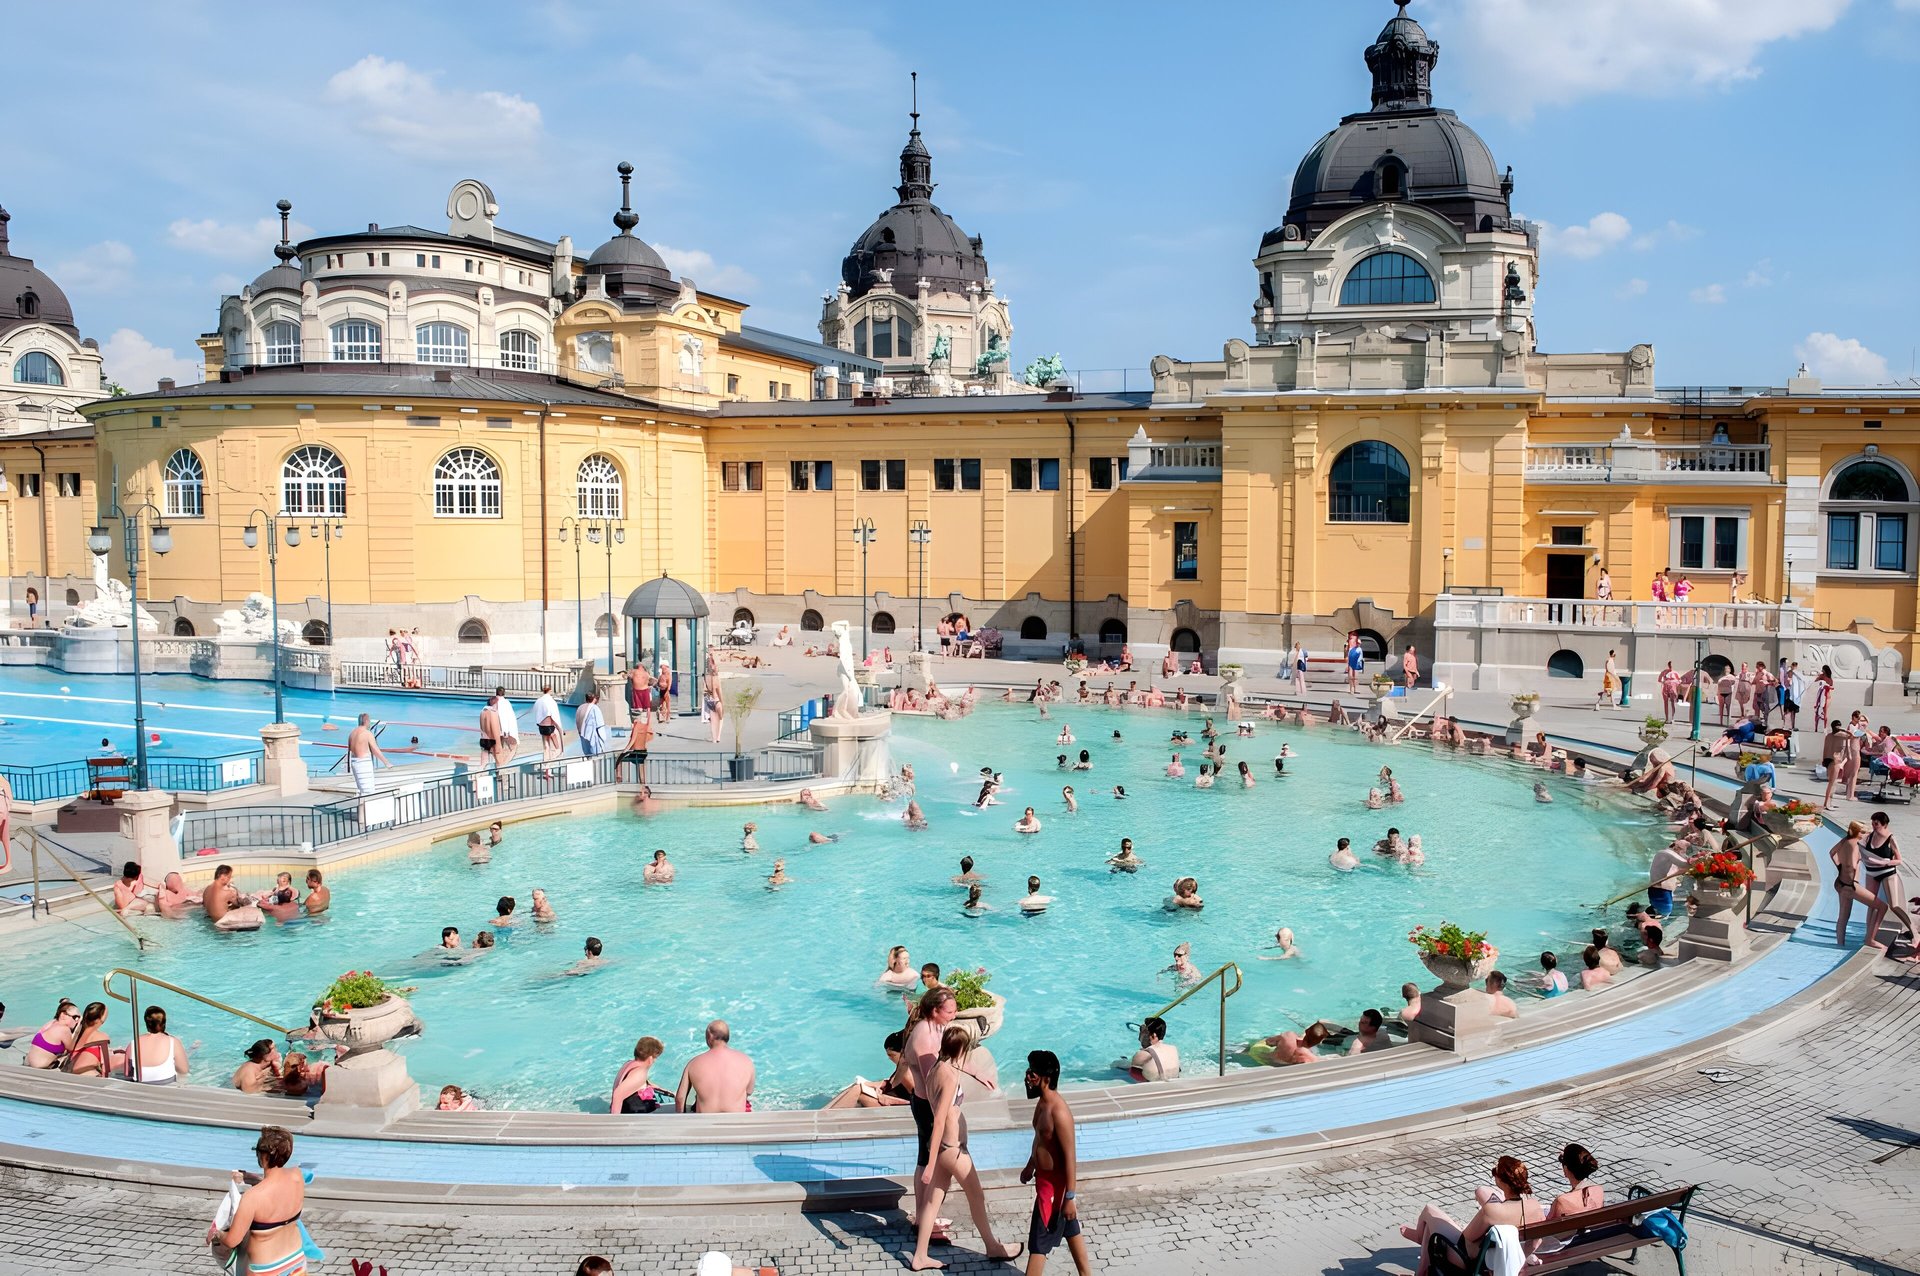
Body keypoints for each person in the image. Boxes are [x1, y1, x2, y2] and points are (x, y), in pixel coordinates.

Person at [907, 1025, 1023, 1270]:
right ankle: (992, 1247)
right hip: (953, 1149)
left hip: (945, 1150)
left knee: (931, 1202)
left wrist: (977, 1074)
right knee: (977, 1196)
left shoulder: (937, 1068)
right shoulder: (948, 1076)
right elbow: (939, 1120)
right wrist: (928, 1165)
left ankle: (920, 1256)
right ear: (960, 1049)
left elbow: (952, 1076)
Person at [1401, 1155, 1547, 1276]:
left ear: (1501, 1181)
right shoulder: (1534, 1206)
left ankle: (1419, 1237)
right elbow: (1536, 1242)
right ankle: (1421, 1270)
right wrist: (1517, 1259)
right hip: (1496, 1258)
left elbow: (1467, 1238)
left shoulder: (1492, 1211)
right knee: (1431, 1228)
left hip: (1468, 1259)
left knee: (1429, 1210)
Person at [1020, 1049, 1092, 1276]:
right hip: (1044, 1181)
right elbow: (1041, 1140)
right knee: (1070, 1228)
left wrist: (1070, 1198)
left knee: (1038, 1244)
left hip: (1055, 1189)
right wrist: (1031, 1164)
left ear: (1046, 1079)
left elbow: (1070, 1157)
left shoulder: (1060, 1112)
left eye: (1032, 1072)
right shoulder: (1042, 1104)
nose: (1027, 1076)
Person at [206, 1126, 308, 1276]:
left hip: (265, 1269)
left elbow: (232, 1241)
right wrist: (249, 1177)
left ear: (262, 1156)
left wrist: (217, 1234)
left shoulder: (252, 1198)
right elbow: (275, 1186)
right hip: (296, 1261)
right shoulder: (297, 1177)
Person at [1862, 811, 1918, 949]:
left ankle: (1915, 934)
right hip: (1872, 873)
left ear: (1884, 824)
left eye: (1876, 824)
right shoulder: (1869, 837)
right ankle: (1868, 936)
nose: (1874, 826)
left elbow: (1899, 860)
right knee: (1871, 904)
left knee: (1895, 905)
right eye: (1872, 823)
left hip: (1887, 873)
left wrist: (1884, 863)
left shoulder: (1890, 838)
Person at [675, 1020, 754, 1114]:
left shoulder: (694, 1063)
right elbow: (749, 1091)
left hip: (705, 1123)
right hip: (735, 1122)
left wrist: (681, 1118)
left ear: (709, 1036)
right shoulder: (746, 1061)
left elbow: (680, 1098)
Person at [825, 1029, 916, 1110]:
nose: (890, 1059)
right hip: (886, 1099)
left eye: (892, 1055)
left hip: (893, 1108)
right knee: (856, 1086)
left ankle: (827, 1117)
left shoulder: (906, 1074)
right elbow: (892, 1083)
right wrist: (872, 1085)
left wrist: (886, 1098)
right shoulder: (903, 1067)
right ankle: (825, 1112)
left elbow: (916, 1100)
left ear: (903, 1053)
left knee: (858, 1090)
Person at [1832, 821, 1887, 951]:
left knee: (1843, 916)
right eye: (1864, 832)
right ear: (1858, 833)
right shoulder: (1855, 845)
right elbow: (1852, 864)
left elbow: (1832, 853)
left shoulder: (1845, 840)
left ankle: (1840, 945)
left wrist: (1840, 867)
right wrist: (1854, 871)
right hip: (1850, 885)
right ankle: (1870, 940)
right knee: (1882, 907)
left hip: (1840, 882)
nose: (1867, 834)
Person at [125, 1004, 190, 1084]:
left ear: (146, 1023)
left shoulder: (133, 1043)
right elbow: (184, 1070)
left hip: (141, 1086)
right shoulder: (173, 1042)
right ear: (164, 1023)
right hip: (167, 1086)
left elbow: (127, 1073)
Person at [610, 1036, 669, 1114]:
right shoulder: (639, 1074)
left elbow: (636, 1083)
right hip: (631, 1117)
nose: (655, 1061)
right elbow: (617, 1096)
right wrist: (615, 1122)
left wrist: (665, 1090)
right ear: (650, 1058)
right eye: (656, 1058)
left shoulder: (630, 1064)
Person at [203, 864, 264, 931]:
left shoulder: (206, 889)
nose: (230, 879)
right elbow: (239, 904)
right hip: (223, 923)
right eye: (229, 877)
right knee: (255, 911)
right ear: (222, 876)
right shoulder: (228, 892)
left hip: (212, 921)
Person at [345, 712, 392, 796]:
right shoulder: (367, 733)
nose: (370, 723)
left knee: (361, 790)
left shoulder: (352, 733)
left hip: (354, 762)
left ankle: (362, 808)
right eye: (369, 721)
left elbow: (350, 750)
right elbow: (375, 750)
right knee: (368, 791)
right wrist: (386, 762)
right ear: (366, 721)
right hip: (363, 763)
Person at [23, 999, 79, 1069]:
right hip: (40, 1068)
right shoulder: (64, 1029)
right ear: (63, 1015)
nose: (77, 1021)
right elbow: (72, 1049)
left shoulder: (51, 1023)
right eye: (75, 1017)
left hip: (28, 1062)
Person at [1128, 1015, 1180, 1082]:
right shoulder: (1173, 1049)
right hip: (1174, 1086)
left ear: (1153, 1035)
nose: (1139, 1038)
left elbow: (1133, 1075)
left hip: (1155, 1088)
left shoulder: (1143, 1054)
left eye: (1142, 1033)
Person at [574, 692, 610, 757]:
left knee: (588, 756)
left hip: (583, 737)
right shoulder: (594, 708)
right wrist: (603, 740)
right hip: (593, 738)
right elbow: (600, 725)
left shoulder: (580, 707)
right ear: (594, 699)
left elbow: (577, 722)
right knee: (596, 759)